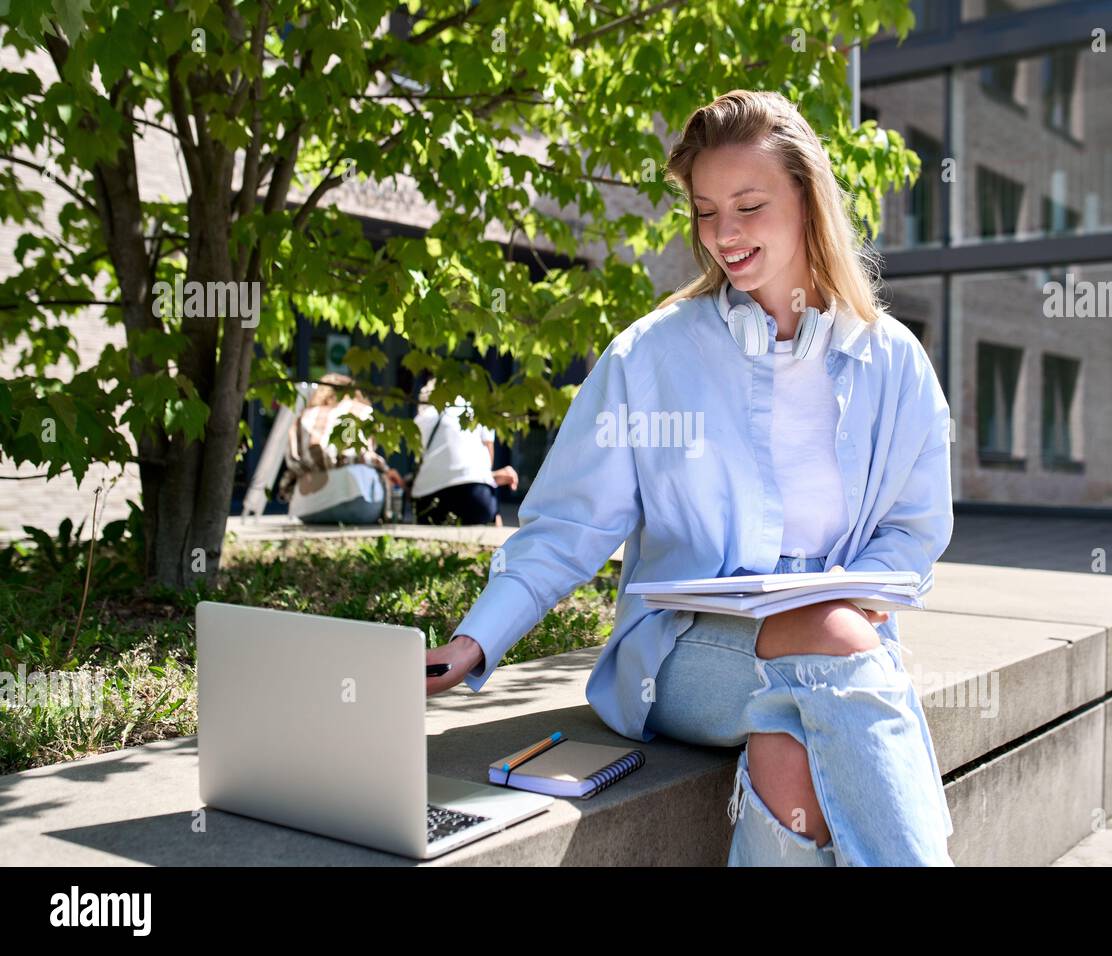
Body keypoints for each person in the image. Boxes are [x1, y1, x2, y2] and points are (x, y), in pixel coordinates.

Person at [424, 90, 956, 867]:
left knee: (787, 743)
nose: (725, 235)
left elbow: (914, 528)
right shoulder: (650, 356)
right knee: (831, 642)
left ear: (808, 199)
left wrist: (847, 592)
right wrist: (476, 639)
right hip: (684, 654)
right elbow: (571, 526)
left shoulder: (892, 359)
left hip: (840, 643)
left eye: (748, 205)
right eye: (707, 212)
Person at [277, 372, 405, 524]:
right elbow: (356, 455)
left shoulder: (304, 416)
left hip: (309, 507)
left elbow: (293, 462)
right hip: (356, 502)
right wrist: (384, 468)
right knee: (377, 476)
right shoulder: (359, 411)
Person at [409, 380, 518, 527]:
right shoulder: (477, 412)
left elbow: (427, 466)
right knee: (492, 508)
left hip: (429, 502)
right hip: (476, 498)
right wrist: (488, 478)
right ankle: (500, 548)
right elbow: (487, 461)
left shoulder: (421, 419)